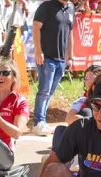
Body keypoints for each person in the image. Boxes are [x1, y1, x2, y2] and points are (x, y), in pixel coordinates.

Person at [31, 0, 75, 135]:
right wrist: (38, 51)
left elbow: (70, 34)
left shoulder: (71, 8)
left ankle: (42, 121)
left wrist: (71, 56)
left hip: (61, 59)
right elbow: (36, 27)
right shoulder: (46, 6)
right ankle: (38, 121)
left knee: (49, 92)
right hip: (47, 57)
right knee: (44, 91)